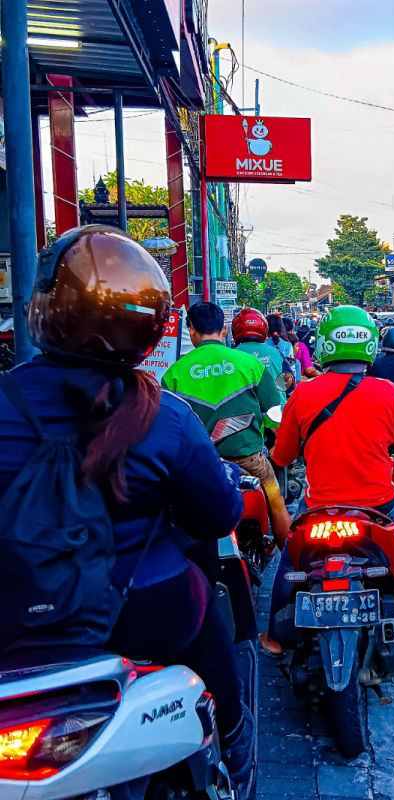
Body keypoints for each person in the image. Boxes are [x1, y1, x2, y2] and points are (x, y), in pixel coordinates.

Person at [0, 226, 253, 783]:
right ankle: (234, 740)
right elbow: (217, 517)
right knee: (209, 611)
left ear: (44, 311)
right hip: (145, 610)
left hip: (17, 617)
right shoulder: (168, 416)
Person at [260, 306, 394, 690]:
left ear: (324, 344)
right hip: (378, 507)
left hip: (318, 508)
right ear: (369, 345)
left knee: (289, 564)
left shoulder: (305, 392)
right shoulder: (389, 392)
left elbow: (282, 457)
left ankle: (275, 639)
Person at [162, 302, 291, 547]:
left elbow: (169, 426)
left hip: (202, 465)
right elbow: (275, 413)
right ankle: (288, 563)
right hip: (249, 461)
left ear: (191, 330)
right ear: (224, 330)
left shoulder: (174, 373)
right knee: (276, 502)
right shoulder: (250, 364)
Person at [231, 307, 291, 399]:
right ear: (264, 329)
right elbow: (290, 383)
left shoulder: (230, 355)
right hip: (276, 410)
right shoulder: (275, 353)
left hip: (244, 412)